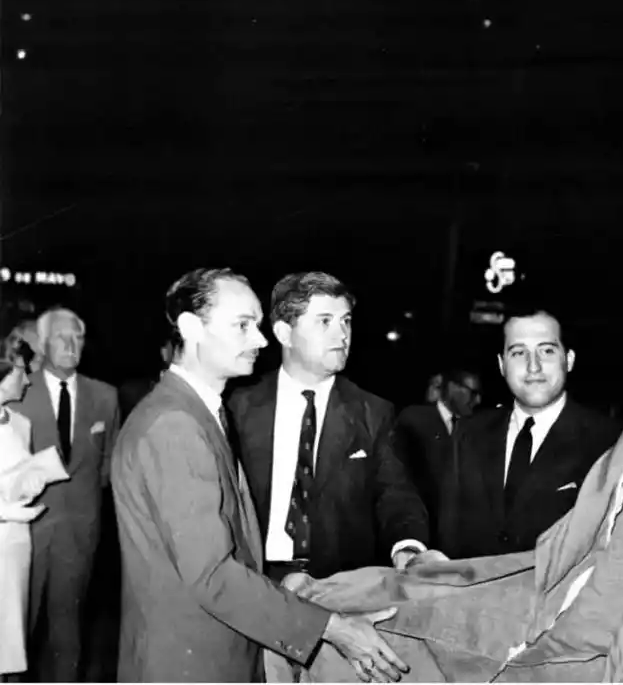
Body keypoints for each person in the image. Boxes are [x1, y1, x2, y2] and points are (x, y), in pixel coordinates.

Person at [111, 267, 409, 683]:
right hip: (195, 663)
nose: (261, 339)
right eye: (242, 326)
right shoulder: (174, 425)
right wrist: (334, 629)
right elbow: (213, 574)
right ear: (190, 327)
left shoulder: (198, 413)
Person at [228, 271, 437, 583]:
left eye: (346, 321)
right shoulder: (237, 407)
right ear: (285, 333)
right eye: (325, 321)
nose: (342, 334)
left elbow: (395, 494)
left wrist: (407, 547)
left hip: (336, 587)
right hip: (254, 582)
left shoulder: (373, 412)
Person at [439, 306, 622, 558]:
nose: (533, 366)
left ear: (568, 360)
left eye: (546, 350)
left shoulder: (607, 441)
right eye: (518, 352)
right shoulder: (468, 434)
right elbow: (449, 539)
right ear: (502, 365)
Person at [11, 307, 120, 682]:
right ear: (42, 343)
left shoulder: (105, 397)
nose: (71, 345)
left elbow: (107, 468)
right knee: (14, 633)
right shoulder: (17, 393)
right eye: (61, 337)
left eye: (78, 337)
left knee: (68, 632)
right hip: (24, 536)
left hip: (79, 534)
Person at [0, 335, 46, 681]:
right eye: (21, 371)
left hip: (15, 548)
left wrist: (34, 481)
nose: (28, 379)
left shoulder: (20, 424)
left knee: (11, 647)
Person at [395, 368, 482, 532]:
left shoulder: (474, 429)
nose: (478, 400)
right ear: (451, 387)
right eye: (473, 392)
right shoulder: (414, 420)